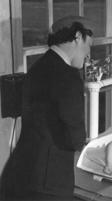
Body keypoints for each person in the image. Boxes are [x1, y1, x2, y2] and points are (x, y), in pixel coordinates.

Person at [0, 16, 93, 200]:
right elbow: (75, 137)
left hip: (19, 172)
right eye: (89, 45)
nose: (88, 53)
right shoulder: (69, 76)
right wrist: (87, 144)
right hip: (49, 182)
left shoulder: (37, 67)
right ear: (77, 37)